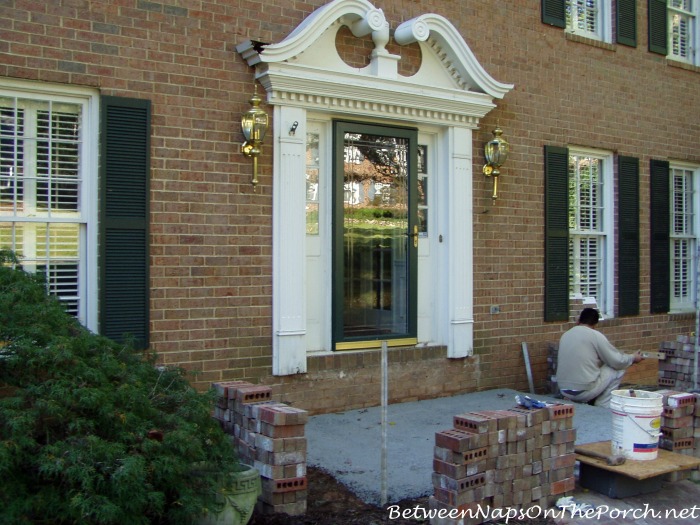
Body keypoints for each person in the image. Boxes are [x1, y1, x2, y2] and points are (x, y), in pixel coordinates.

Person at [556, 307, 642, 408]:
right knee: (617, 369)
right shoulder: (595, 335)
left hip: (564, 390)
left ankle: (576, 400)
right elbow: (617, 361)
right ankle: (603, 405)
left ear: (578, 320)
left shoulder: (566, 335)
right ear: (595, 324)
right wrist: (633, 358)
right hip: (583, 392)